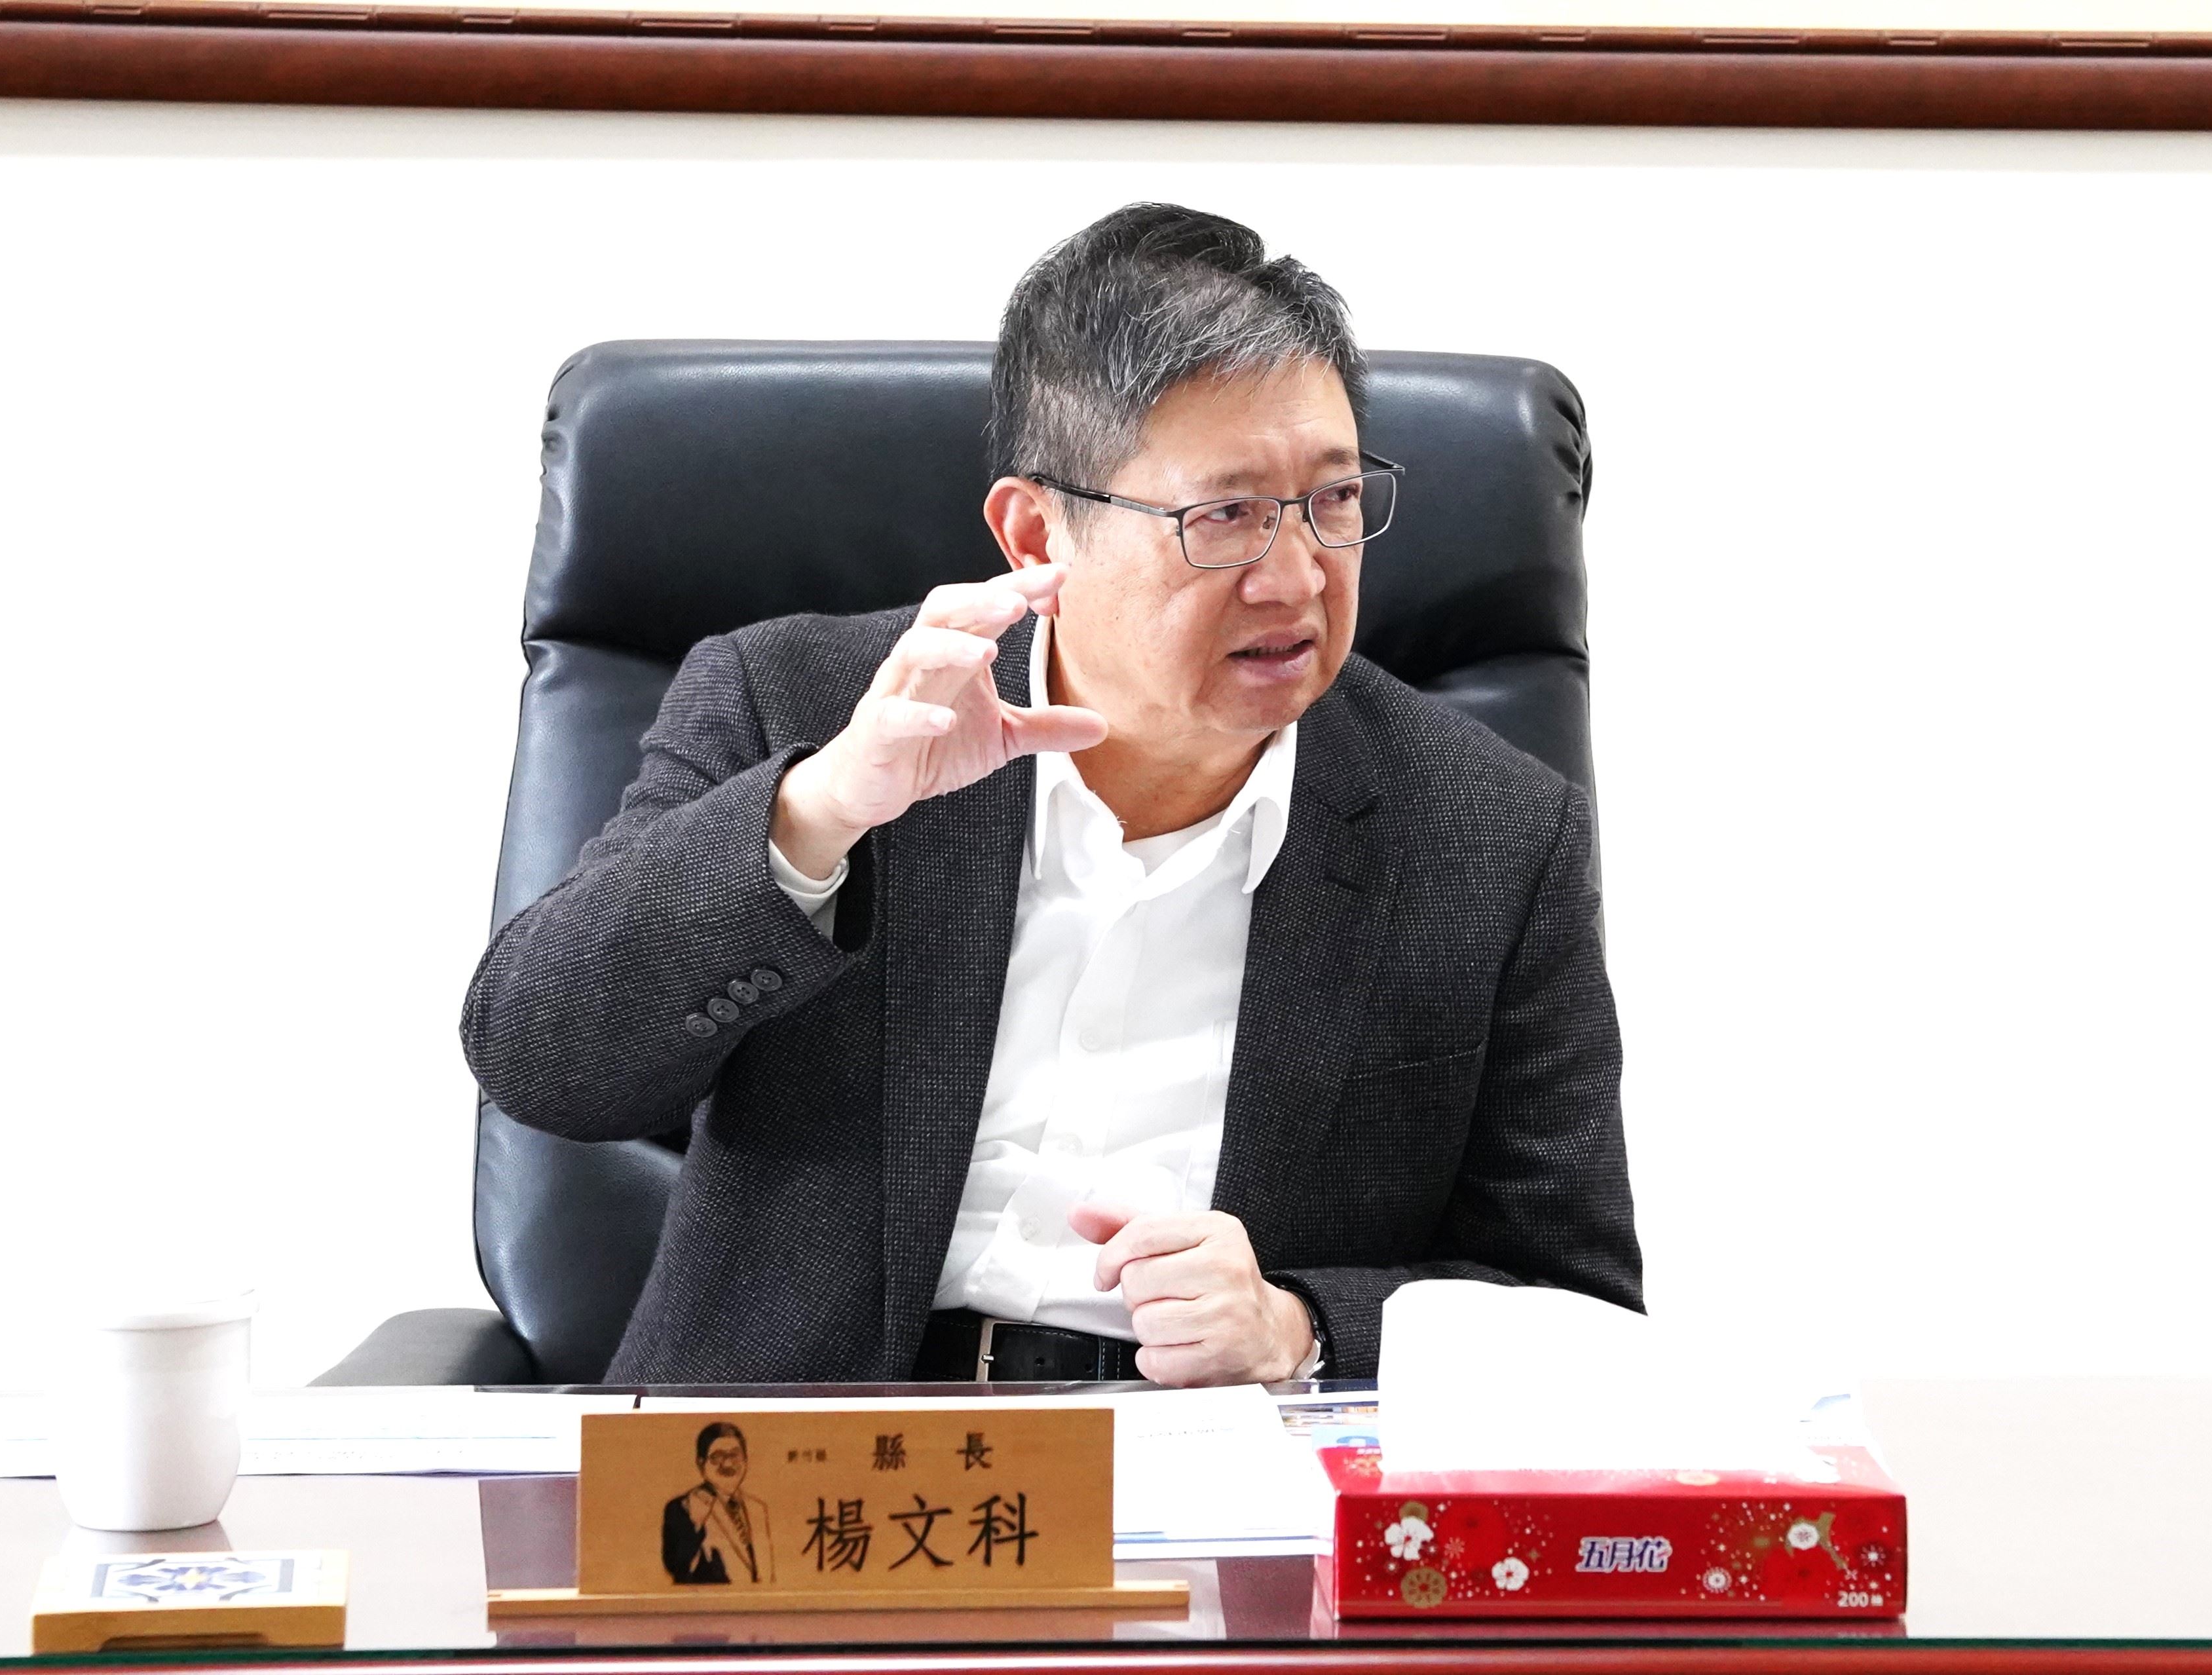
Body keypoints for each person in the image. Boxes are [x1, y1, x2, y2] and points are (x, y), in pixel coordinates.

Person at [461, 202, 1640, 1386]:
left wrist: (1301, 1327)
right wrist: (817, 816)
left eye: (1332, 502)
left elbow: (1572, 1305)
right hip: (793, 1454)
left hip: (1212, 1457)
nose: (1295, 578)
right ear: (1036, 534)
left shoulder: (1488, 837)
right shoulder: (803, 708)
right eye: (1225, 516)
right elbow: (542, 1058)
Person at [661, 1422, 770, 1584]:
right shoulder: (685, 1506)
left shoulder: (757, 1508)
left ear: (745, 1459)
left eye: (734, 1455)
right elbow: (676, 1567)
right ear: (701, 1463)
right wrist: (696, 1524)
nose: (727, 1464)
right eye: (717, 1457)